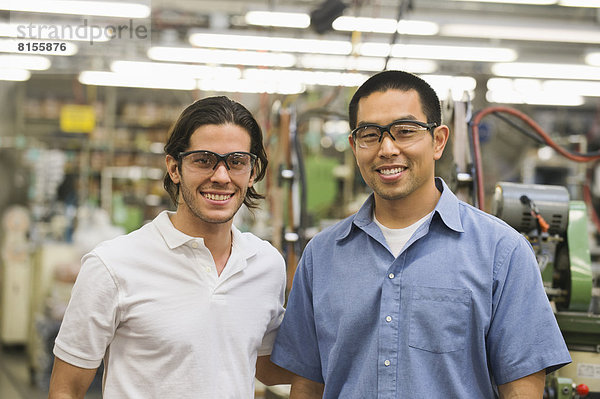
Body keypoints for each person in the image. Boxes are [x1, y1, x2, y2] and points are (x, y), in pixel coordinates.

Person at [271, 70, 571, 398]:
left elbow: (522, 387)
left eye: (405, 131)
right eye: (370, 134)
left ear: (438, 140)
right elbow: (308, 384)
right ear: (354, 145)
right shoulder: (322, 255)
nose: (387, 148)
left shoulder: (502, 252)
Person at [48, 96, 291, 399]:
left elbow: (263, 365)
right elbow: (65, 390)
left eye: (237, 162)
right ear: (174, 168)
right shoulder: (112, 265)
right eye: (203, 160)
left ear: (253, 172)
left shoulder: (266, 264)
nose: (221, 176)